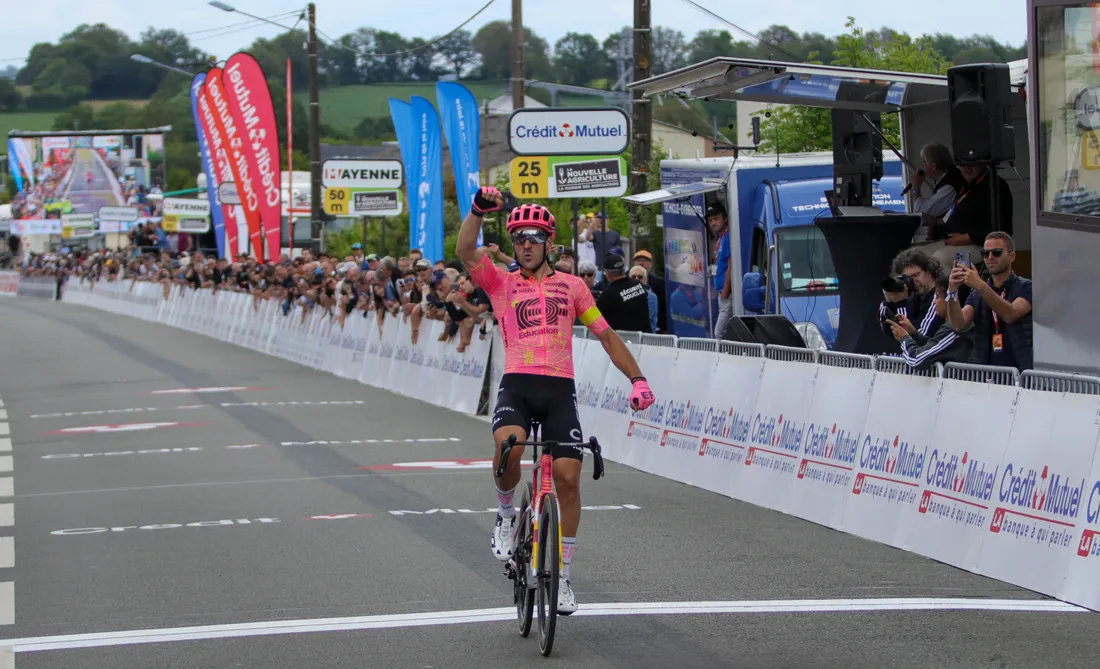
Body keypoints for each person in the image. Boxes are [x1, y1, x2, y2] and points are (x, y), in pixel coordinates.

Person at [456, 186, 656, 616]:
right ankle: (507, 515)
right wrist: (477, 210)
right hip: (518, 385)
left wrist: (637, 379)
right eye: (518, 237)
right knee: (507, 442)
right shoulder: (501, 282)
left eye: (533, 236)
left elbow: (605, 335)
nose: (525, 244)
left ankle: (562, 576)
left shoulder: (573, 288)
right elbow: (466, 250)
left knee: (568, 478)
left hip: (559, 388)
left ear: (548, 241)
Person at [946, 231, 1033, 371]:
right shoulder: (977, 292)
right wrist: (952, 291)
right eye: (985, 253)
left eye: (996, 252)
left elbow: (1011, 314)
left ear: (1012, 256)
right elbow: (958, 324)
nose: (990, 257)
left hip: (1020, 371)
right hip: (985, 370)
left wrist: (980, 285)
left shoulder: (1026, 286)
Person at [597, 255, 653, 333]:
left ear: (607, 273)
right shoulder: (638, 285)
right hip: (645, 339)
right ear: (623, 269)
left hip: (623, 342)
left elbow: (597, 322)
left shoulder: (607, 295)